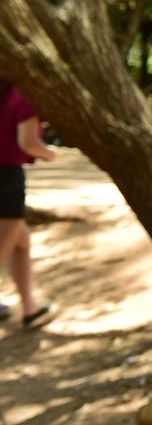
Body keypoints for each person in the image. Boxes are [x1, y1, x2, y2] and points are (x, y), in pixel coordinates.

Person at [0, 80, 58, 328]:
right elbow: (28, 143)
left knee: (21, 241)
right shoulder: (22, 94)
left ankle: (30, 308)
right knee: (5, 242)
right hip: (6, 178)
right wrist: (51, 154)